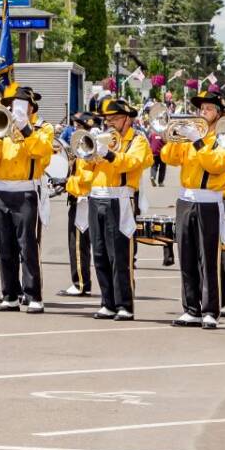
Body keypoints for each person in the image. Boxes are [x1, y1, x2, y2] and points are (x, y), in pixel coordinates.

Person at [160, 88, 225, 329]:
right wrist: (175, 136)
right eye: (202, 108)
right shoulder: (193, 134)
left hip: (208, 200)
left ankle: (210, 310)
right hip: (186, 199)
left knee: (209, 257)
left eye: (209, 108)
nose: (204, 112)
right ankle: (191, 308)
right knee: (187, 254)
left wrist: (198, 140)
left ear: (219, 112)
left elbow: (215, 164)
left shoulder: (224, 136)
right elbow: (168, 158)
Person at [0, 84, 56, 313]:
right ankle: (10, 294)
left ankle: (33, 295)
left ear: (31, 107)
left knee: (28, 246)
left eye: (20, 105)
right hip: (0, 191)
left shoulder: (42, 128)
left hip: (26, 191)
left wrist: (26, 129)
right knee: (4, 247)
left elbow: (43, 153)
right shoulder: (0, 127)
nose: (15, 108)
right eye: (11, 105)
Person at [84, 97, 151, 321]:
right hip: (97, 197)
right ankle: (107, 302)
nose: (109, 123)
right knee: (100, 252)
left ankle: (124, 304)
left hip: (120, 198)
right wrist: (91, 150)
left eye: (114, 119)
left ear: (126, 120)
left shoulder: (138, 141)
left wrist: (108, 153)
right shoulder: (102, 139)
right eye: (107, 119)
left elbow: (132, 163)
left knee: (119, 254)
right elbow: (85, 165)